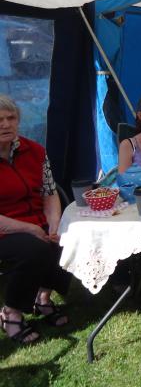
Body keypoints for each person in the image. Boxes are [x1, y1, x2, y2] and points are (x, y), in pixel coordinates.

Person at [0, 94, 72, 344]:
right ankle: (11, 312)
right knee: (35, 249)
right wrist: (29, 228)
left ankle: (42, 298)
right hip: (5, 229)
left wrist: (54, 223)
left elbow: (50, 192)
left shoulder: (35, 151)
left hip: (36, 222)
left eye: (11, 118)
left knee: (70, 238)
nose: (6, 124)